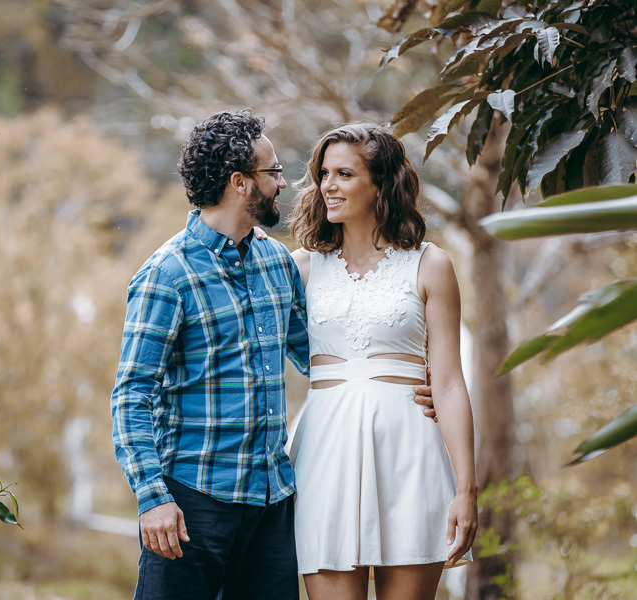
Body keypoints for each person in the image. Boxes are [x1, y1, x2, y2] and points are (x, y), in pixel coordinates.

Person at [110, 110, 437, 600]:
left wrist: (403, 380)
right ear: (241, 183)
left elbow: (318, 352)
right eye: (274, 172)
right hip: (194, 502)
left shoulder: (274, 262)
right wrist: (152, 497)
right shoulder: (167, 274)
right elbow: (131, 394)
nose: (285, 184)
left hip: (271, 504)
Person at [287, 123, 477, 600]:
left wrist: (466, 489)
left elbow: (451, 384)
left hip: (411, 452)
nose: (328, 185)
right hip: (323, 453)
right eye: (324, 173)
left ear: (382, 183)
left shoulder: (430, 264)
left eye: (345, 173)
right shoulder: (301, 267)